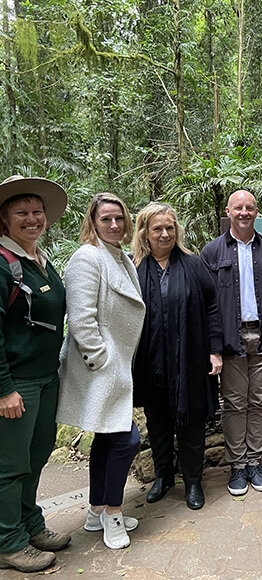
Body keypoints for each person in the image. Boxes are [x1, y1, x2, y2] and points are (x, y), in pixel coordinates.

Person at [57, 193, 146, 550]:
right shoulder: (87, 257)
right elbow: (80, 318)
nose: (113, 225)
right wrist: (101, 359)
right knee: (128, 440)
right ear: (92, 222)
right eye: (106, 219)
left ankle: (95, 511)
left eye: (119, 219)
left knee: (107, 440)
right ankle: (113, 513)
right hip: (102, 367)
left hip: (117, 363)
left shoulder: (121, 257)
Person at [131, 203, 223, 510]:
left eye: (170, 227)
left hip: (190, 360)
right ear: (145, 232)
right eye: (157, 228)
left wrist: (214, 350)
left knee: (190, 422)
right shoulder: (133, 268)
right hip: (150, 363)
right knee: (157, 422)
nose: (165, 233)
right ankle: (163, 476)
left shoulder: (194, 265)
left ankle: (194, 482)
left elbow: (212, 308)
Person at [0, 176, 70, 573]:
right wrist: (4, 389)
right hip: (16, 384)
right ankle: (8, 541)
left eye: (37, 212)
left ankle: (29, 525)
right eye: (21, 212)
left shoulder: (39, 260)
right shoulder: (2, 264)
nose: (32, 218)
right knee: (10, 465)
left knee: (36, 455)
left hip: (46, 378)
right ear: (5, 219)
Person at [201, 190, 262, 496]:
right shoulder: (212, 252)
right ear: (229, 211)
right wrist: (214, 343)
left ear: (256, 212)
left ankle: (255, 461)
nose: (244, 212)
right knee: (236, 404)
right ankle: (237, 465)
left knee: (261, 402)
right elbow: (208, 303)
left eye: (250, 208)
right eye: (239, 208)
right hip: (230, 339)